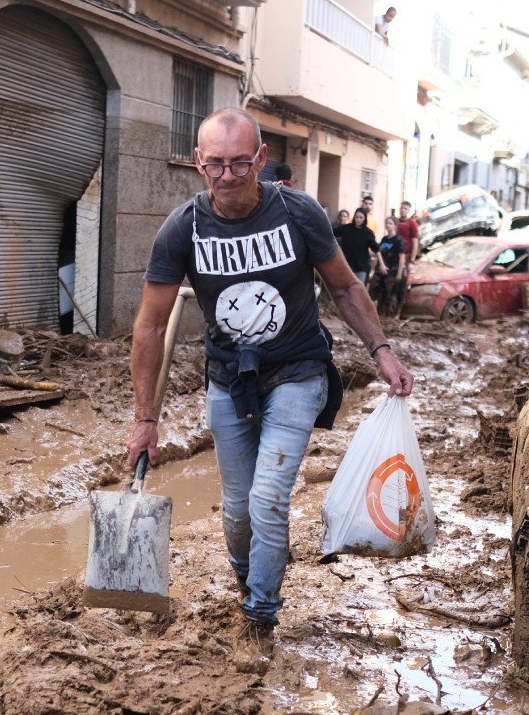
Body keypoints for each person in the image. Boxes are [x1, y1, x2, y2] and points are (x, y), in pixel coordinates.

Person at [127, 107, 413, 662]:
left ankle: (259, 616)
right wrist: (145, 419)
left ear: (260, 159)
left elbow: (345, 288)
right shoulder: (181, 228)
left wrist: (381, 350)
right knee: (236, 509)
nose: (229, 175)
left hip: (298, 369)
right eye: (216, 164)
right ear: (198, 163)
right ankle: (249, 580)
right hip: (229, 377)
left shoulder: (298, 212)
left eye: (240, 162)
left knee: (267, 498)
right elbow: (150, 325)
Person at [370, 216, 407, 318]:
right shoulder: (384, 239)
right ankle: (376, 314)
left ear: (395, 226)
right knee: (373, 291)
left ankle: (388, 317)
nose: (388, 225)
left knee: (388, 295)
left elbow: (401, 258)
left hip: (392, 271)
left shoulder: (399, 240)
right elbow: (379, 253)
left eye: (390, 223)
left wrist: (399, 274)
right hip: (380, 270)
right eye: (386, 223)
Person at [333, 208, 378, 284]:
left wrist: (381, 262)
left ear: (365, 218)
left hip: (361, 267)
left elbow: (376, 248)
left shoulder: (368, 233)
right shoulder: (346, 228)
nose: (358, 220)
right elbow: (332, 232)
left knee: (358, 288)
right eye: (356, 217)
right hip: (347, 265)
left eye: (361, 218)